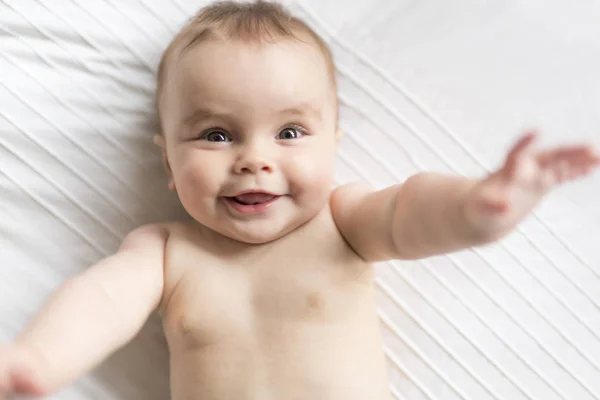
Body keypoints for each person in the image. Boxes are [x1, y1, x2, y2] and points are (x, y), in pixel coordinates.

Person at [1, 1, 598, 399]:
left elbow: (411, 212)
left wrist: (476, 206)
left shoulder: (343, 221)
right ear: (167, 162)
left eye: (289, 133)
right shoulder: (165, 251)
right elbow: (101, 299)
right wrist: (37, 360)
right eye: (216, 134)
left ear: (333, 145)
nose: (254, 159)